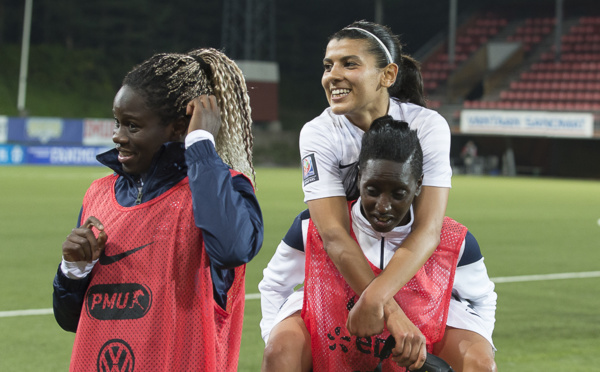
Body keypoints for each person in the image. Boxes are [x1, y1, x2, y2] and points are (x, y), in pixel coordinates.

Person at [52, 48, 264, 371]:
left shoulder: (224, 189)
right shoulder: (98, 195)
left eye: (132, 126)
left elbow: (232, 249)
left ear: (179, 127)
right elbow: (73, 321)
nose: (117, 136)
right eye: (117, 123)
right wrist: (72, 272)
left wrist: (202, 146)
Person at [263, 20, 454, 370]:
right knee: (281, 349)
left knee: (477, 358)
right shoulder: (319, 132)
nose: (332, 75)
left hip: (406, 262)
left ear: (388, 75)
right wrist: (390, 312)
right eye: (327, 65)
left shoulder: (428, 126)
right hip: (340, 261)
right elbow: (334, 234)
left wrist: (377, 298)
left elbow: (428, 229)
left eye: (349, 63)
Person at [260, 118, 497, 372]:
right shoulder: (314, 227)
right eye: (372, 190)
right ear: (360, 176)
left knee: (481, 363)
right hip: (334, 339)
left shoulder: (454, 241)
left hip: (417, 346)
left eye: (398, 194)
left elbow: (481, 300)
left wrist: (480, 345)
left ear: (418, 186)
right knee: (280, 351)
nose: (383, 207)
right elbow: (274, 285)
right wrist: (275, 339)